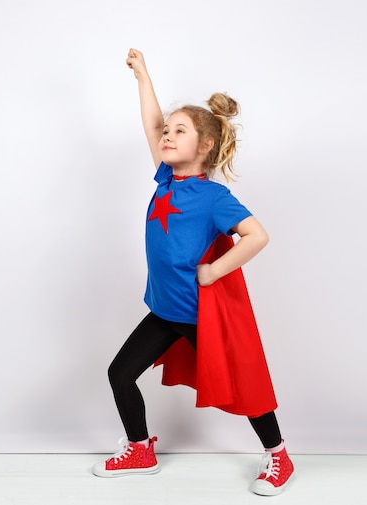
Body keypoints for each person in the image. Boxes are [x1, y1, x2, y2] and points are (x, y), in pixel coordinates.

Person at [91, 49, 295, 496]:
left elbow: (257, 236)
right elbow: (149, 123)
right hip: (165, 312)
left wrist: (214, 270)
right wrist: (143, 76)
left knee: (245, 387)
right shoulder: (166, 178)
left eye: (179, 131)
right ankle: (140, 449)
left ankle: (278, 455)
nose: (166, 135)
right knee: (120, 374)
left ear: (204, 146)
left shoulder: (213, 196)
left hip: (200, 316)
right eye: (167, 130)